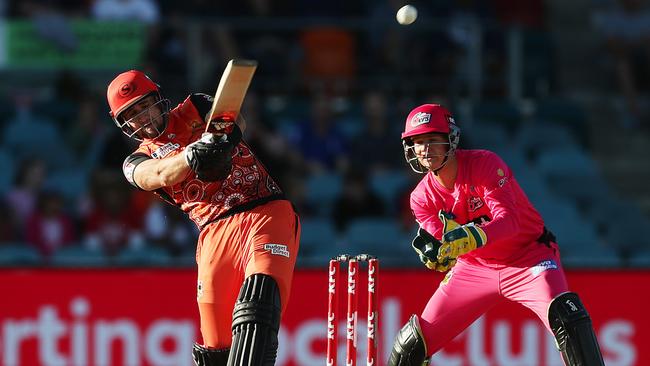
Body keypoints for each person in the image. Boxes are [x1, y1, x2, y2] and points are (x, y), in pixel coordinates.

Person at [106, 70, 300, 365]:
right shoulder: (136, 159)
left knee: (257, 309)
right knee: (216, 350)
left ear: (158, 99)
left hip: (264, 210)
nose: (141, 118)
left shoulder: (194, 107)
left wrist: (222, 140)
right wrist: (192, 155)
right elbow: (154, 175)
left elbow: (235, 120)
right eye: (131, 115)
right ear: (123, 124)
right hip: (213, 233)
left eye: (144, 105)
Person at [388, 104, 604, 366]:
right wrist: (439, 254)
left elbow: (509, 222)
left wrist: (472, 236)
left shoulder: (485, 164)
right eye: (418, 142)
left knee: (566, 317)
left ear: (450, 140)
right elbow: (441, 242)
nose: (425, 149)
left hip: (529, 258)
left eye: (433, 139)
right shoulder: (420, 199)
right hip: (473, 268)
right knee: (411, 345)